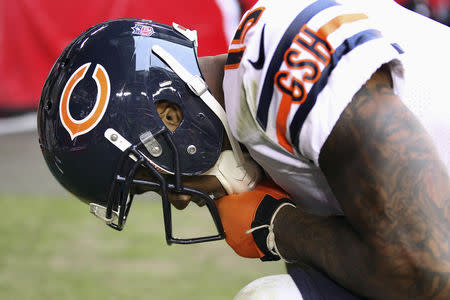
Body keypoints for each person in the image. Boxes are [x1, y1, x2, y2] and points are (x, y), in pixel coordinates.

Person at [38, 1, 449, 299]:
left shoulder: (275, 59)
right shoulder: (254, 118)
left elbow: (428, 272)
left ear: (169, 116)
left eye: (151, 180)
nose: (179, 199)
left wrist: (279, 226)